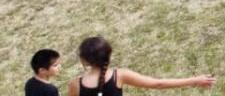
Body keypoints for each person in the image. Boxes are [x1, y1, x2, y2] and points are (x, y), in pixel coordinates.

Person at [68, 36, 214, 95]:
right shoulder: (120, 75)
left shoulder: (75, 85)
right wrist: (194, 80)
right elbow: (159, 84)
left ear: (83, 59)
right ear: (109, 55)